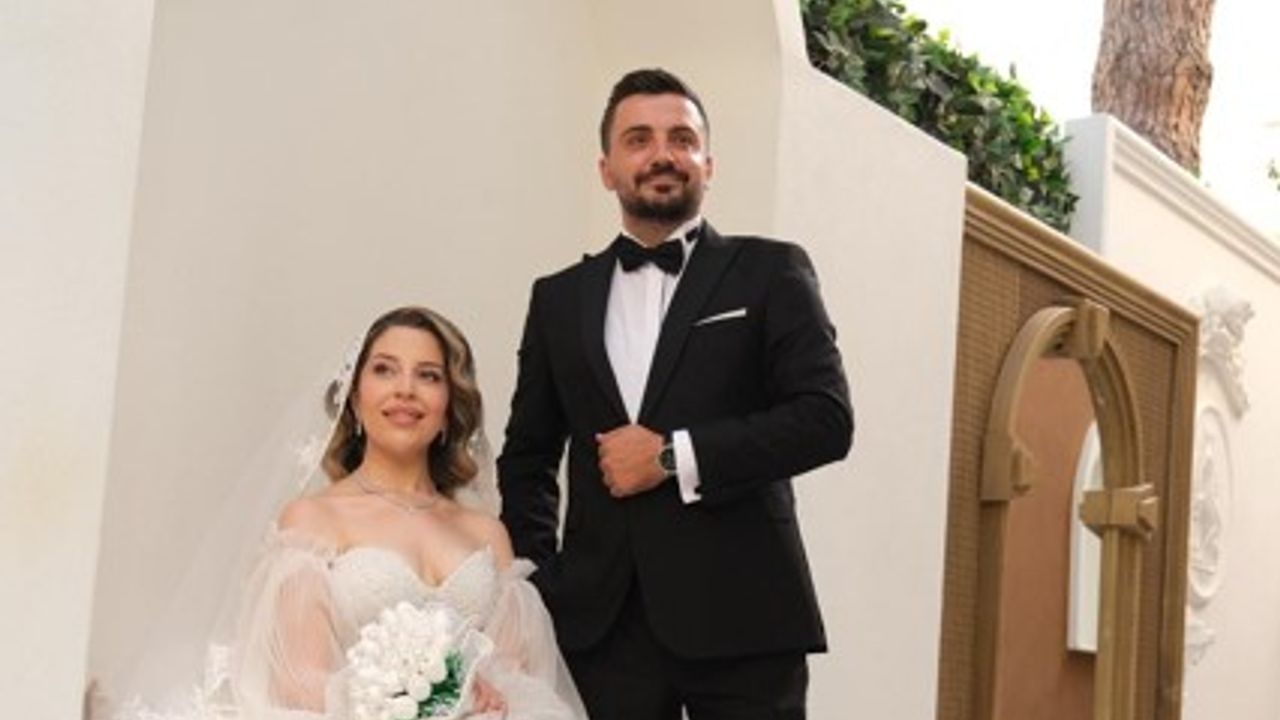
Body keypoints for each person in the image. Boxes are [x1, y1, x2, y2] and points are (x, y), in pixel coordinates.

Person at [498, 69, 854, 719]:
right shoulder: (557, 299)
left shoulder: (771, 271)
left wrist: (671, 456)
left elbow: (825, 420)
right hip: (602, 631)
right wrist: (541, 583)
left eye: (681, 139)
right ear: (607, 169)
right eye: (639, 139)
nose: (662, 154)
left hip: (746, 617)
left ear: (707, 165)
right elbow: (528, 457)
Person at [108, 306, 584, 720]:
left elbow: (517, 688)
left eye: (428, 375)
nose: (405, 389)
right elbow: (299, 687)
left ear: (448, 407)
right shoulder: (311, 522)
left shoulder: (487, 535)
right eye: (384, 370)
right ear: (354, 398)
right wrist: (438, 697)